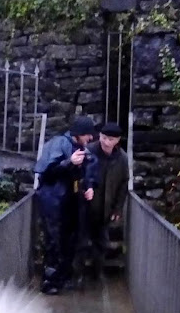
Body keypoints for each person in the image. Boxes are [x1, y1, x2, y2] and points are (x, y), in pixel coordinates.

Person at [34, 116, 98, 295]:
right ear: (78, 134)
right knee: (54, 241)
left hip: (71, 203)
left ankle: (62, 278)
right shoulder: (58, 144)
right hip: (53, 202)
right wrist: (69, 162)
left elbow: (89, 170)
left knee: (70, 241)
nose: (90, 139)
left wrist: (90, 187)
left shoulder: (81, 148)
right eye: (87, 135)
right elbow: (45, 172)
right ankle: (49, 282)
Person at [83, 122, 129, 278]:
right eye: (103, 138)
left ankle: (97, 272)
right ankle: (77, 273)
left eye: (110, 139)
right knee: (80, 241)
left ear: (117, 140)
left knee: (101, 242)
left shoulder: (122, 158)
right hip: (86, 205)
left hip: (106, 208)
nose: (106, 142)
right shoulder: (89, 151)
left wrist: (117, 208)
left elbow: (124, 183)